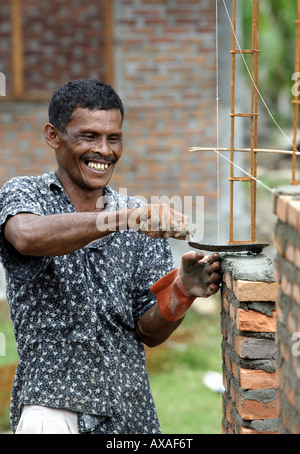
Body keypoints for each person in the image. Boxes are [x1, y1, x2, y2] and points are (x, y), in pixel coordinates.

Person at [0, 79, 221, 434]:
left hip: (130, 414)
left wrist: (182, 292)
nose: (104, 150)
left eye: (113, 138)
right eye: (88, 137)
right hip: (52, 410)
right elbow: (26, 237)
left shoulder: (139, 215)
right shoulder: (26, 194)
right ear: (53, 136)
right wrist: (127, 220)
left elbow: (147, 331)